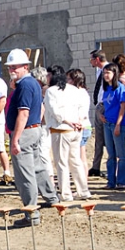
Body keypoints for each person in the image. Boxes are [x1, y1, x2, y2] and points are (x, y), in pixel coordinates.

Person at [4, 49, 58, 226]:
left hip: (25, 132)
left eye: (15, 67)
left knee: (24, 175)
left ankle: (31, 213)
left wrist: (15, 139)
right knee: (37, 167)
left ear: (25, 67)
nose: (12, 70)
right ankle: (51, 197)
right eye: (10, 66)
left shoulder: (26, 86)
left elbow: (23, 114)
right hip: (33, 130)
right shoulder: (30, 83)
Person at [45, 65, 91, 201]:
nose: (46, 78)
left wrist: (69, 121)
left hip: (62, 129)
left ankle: (65, 193)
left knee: (62, 162)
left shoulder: (51, 91)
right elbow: (82, 107)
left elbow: (54, 110)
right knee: (75, 160)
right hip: (75, 129)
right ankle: (83, 190)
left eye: (48, 75)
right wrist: (79, 121)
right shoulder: (74, 90)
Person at [99, 62, 125, 190]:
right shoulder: (106, 89)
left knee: (121, 154)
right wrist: (101, 115)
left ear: (114, 73)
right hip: (107, 124)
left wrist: (118, 124)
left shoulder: (120, 88)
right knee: (110, 155)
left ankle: (122, 181)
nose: (106, 75)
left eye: (108, 73)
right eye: (104, 73)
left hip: (118, 124)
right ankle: (111, 181)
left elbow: (123, 107)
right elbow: (105, 105)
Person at [65, 68, 93, 182]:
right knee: (79, 157)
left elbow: (81, 112)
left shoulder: (80, 93)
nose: (67, 81)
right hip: (81, 126)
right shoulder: (80, 92)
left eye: (69, 79)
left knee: (80, 158)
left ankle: (83, 183)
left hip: (81, 126)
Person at [31, 66, 55, 184]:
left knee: (43, 152)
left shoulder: (45, 90)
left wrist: (37, 122)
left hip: (44, 125)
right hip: (43, 125)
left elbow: (43, 107)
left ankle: (49, 178)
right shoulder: (42, 89)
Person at [88, 50, 107, 177]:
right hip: (99, 105)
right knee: (98, 139)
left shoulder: (108, 70)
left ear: (97, 59)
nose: (91, 62)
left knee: (108, 138)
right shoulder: (99, 71)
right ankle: (96, 166)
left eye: (91, 60)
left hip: (106, 105)